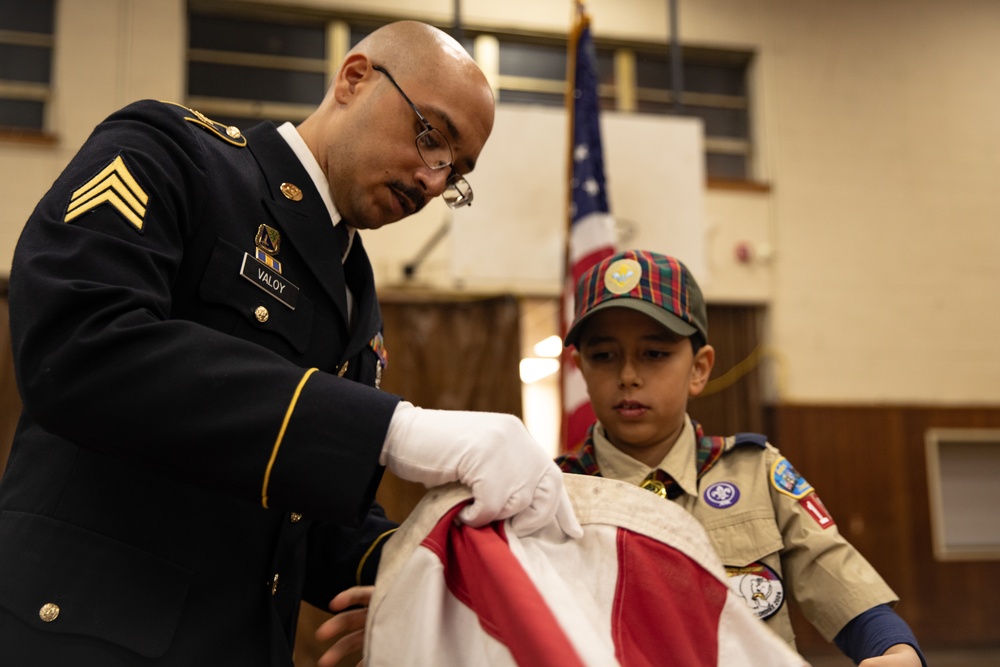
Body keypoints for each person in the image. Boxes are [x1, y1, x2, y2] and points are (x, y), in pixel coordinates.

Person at [0, 21, 579, 666]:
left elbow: (300, 512)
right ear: (353, 78)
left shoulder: (356, 296)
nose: (433, 179)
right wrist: (395, 430)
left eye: (456, 172)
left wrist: (421, 573)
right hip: (82, 636)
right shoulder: (176, 157)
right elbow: (80, 347)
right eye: (431, 136)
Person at [555, 249, 925, 666]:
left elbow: (834, 574)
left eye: (654, 354)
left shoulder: (756, 473)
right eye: (604, 356)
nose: (627, 376)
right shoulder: (554, 496)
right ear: (579, 368)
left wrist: (894, 649)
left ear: (699, 368)